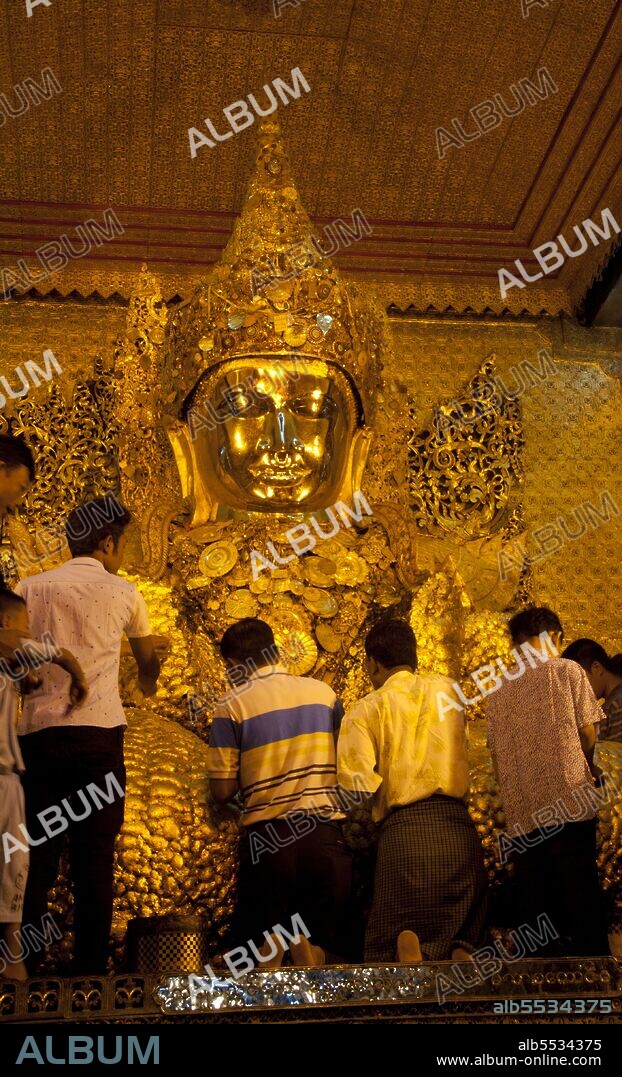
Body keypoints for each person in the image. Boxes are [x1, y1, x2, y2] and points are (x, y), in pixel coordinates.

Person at [16, 495, 161, 975]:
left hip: (38, 738)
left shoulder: (29, 588)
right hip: (99, 739)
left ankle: (26, 973)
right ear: (107, 541)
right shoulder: (125, 593)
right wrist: (149, 673)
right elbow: (146, 663)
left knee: (38, 858)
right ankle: (91, 975)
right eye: (124, 544)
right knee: (95, 858)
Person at [337, 618, 489, 963]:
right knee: (465, 929)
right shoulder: (448, 690)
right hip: (457, 829)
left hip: (405, 835)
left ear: (373, 663)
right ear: (414, 656)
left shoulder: (365, 709)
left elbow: (355, 785)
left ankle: (407, 945)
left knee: (392, 941)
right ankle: (459, 950)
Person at [207, 617, 351, 967]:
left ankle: (272, 953)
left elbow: (222, 790)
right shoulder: (324, 694)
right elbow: (347, 758)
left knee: (255, 956)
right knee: (332, 952)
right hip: (324, 839)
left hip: (269, 844)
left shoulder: (231, 705)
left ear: (234, 664)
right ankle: (313, 954)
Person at [486, 606, 609, 956]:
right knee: (580, 896)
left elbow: (495, 753)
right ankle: (595, 983)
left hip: (524, 812)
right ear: (553, 636)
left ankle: (541, 984)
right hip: (569, 801)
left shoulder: (496, 689)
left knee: (535, 904)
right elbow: (588, 733)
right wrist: (586, 764)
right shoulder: (567, 670)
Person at [562, 639, 622, 742]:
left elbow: (615, 756)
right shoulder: (612, 705)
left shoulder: (618, 705)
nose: (575, 690)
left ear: (597, 668)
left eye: (576, 681)